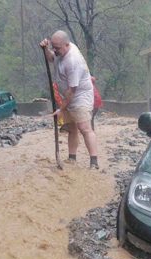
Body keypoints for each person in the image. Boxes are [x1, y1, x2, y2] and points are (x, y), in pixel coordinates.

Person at [39, 30, 99, 169]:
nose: (55, 50)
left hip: (79, 96)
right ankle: (72, 158)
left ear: (66, 45)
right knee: (71, 128)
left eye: (57, 48)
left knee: (84, 128)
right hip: (67, 94)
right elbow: (52, 58)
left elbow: (72, 91)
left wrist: (61, 109)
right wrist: (45, 49)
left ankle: (94, 162)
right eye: (53, 47)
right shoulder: (61, 50)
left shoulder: (73, 61)